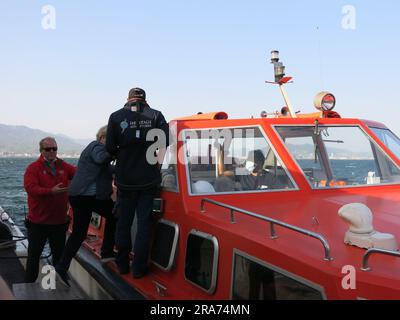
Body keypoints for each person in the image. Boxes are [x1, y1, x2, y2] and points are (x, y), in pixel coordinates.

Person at [106, 87, 169, 278]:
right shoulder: (156, 115)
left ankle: (123, 264)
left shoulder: (116, 116)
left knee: (123, 223)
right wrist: (155, 167)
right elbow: (163, 144)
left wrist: (124, 157)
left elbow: (109, 148)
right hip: (149, 180)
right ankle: (139, 269)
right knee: (144, 225)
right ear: (145, 99)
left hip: (125, 180)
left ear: (128, 99)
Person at [55, 126, 116, 286]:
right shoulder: (95, 146)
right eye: (111, 139)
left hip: (84, 197)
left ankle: (62, 267)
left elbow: (111, 169)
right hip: (83, 196)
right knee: (114, 214)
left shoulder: (102, 151)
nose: (112, 142)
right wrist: (118, 151)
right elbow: (101, 158)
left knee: (79, 234)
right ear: (102, 137)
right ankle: (107, 253)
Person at [23, 137, 75, 282]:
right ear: (41, 151)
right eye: (48, 149)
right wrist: (50, 191)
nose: (52, 152)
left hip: (59, 222)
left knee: (59, 258)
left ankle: (60, 285)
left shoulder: (63, 166)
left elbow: (78, 173)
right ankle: (29, 287)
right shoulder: (33, 168)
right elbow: (31, 188)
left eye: (54, 148)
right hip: (38, 223)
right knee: (33, 257)